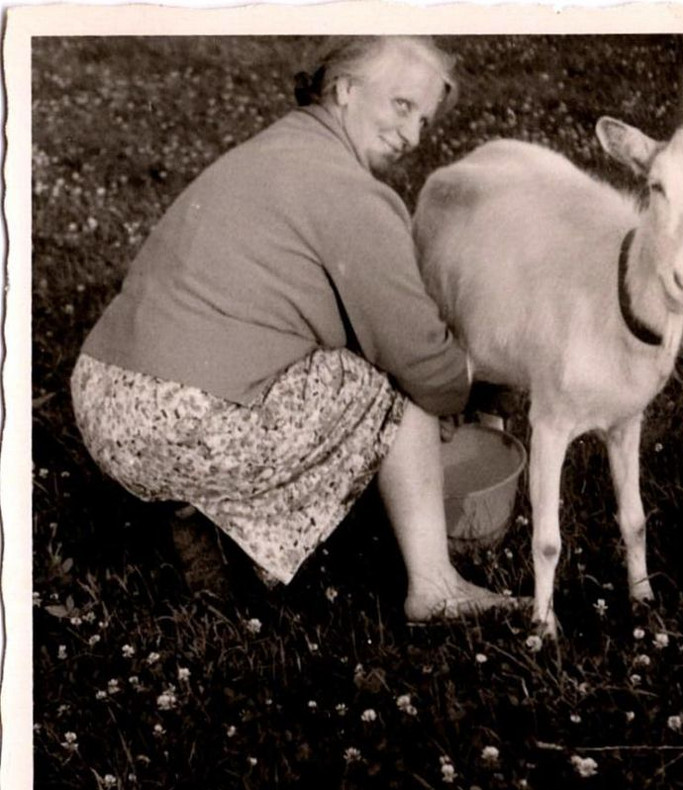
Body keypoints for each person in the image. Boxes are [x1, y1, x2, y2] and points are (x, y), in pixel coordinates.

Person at [71, 35, 525, 622]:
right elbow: (427, 370)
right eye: (402, 106)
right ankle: (436, 587)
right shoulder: (355, 196)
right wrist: (475, 384)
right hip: (180, 421)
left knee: (328, 372)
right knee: (391, 387)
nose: (413, 136)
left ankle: (204, 516)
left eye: (424, 120)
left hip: (103, 397)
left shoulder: (275, 147)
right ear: (345, 89)